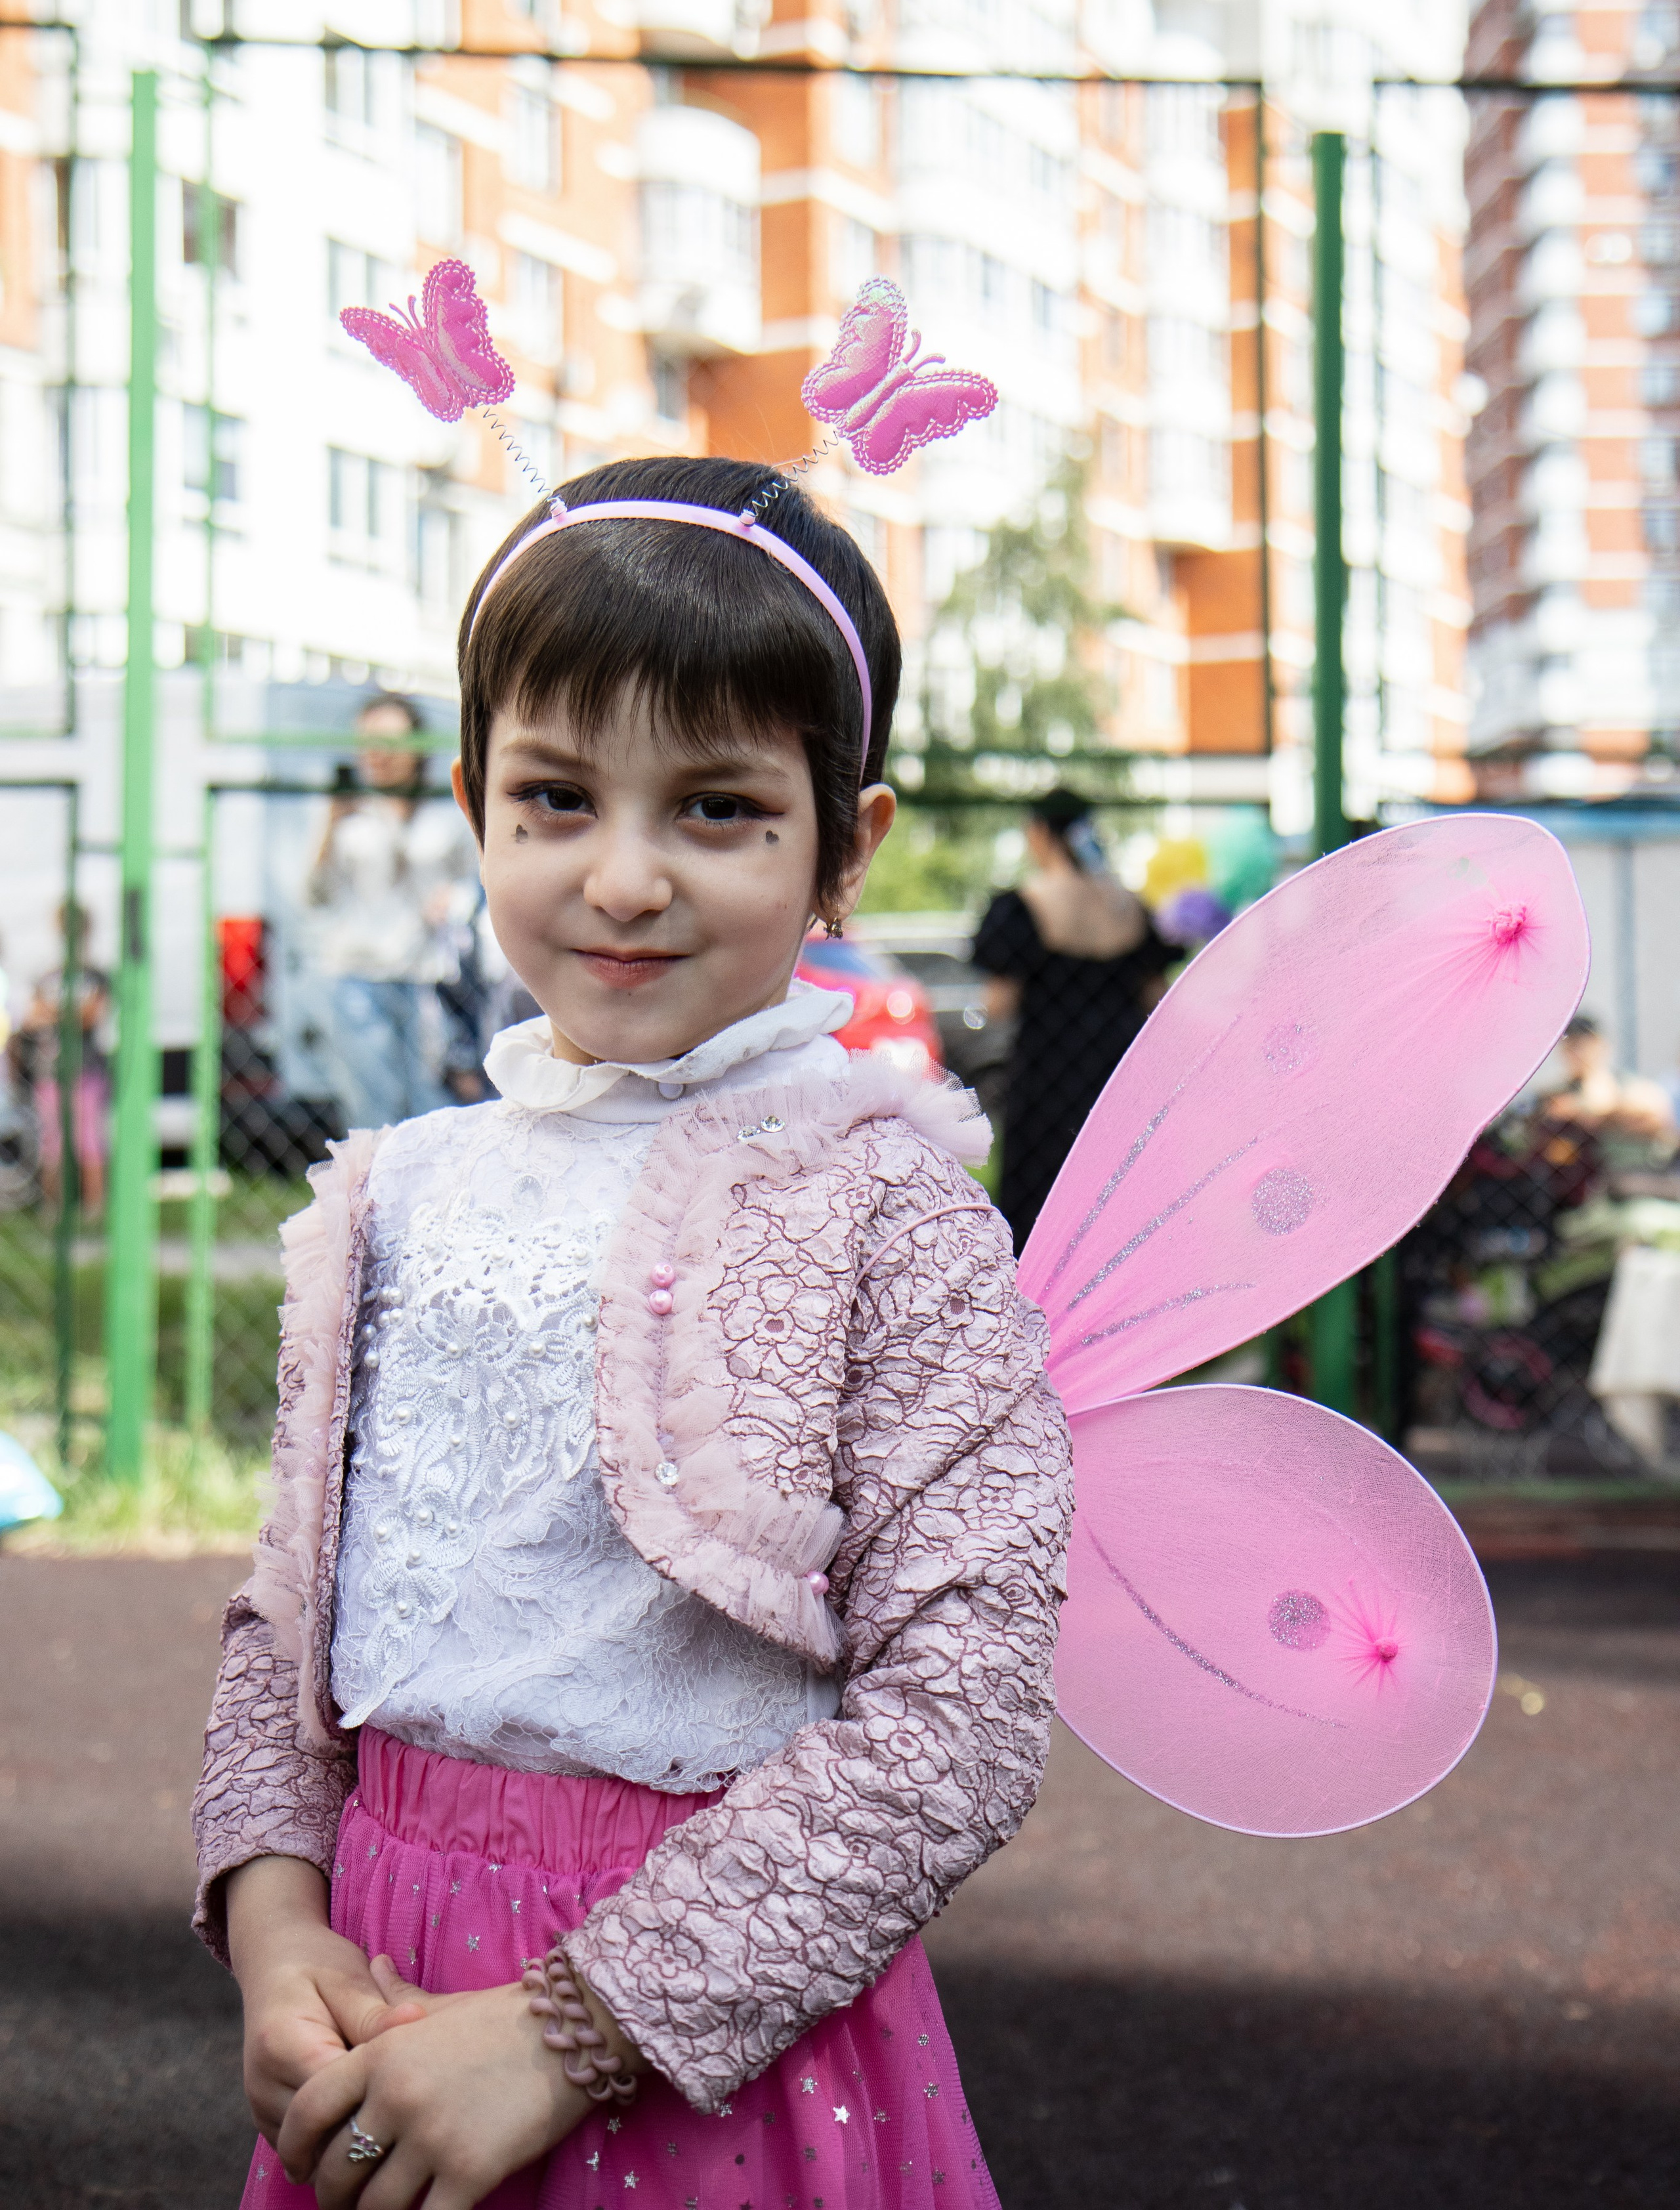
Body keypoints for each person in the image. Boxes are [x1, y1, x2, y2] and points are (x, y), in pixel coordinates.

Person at [192, 456, 1070, 2210]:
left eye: (720, 809)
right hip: (382, 2000)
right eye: (558, 796)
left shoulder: (892, 1207)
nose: (625, 877)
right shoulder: (389, 1190)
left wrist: (565, 2032)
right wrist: (276, 1916)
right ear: (473, 803)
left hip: (712, 2050)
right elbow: (286, 1622)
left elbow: (956, 1723)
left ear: (849, 843)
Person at [972, 786, 1172, 1251]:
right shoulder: (1128, 906)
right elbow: (1156, 998)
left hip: (1048, 1076)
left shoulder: (1028, 904)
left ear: (1041, 833)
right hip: (1116, 1079)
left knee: (1042, 1204)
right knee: (1113, 1202)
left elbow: (998, 1003)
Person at [308, 694, 482, 1129]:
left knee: (434, 1106)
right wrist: (331, 824)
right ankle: (375, 1198)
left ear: (417, 746)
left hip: (428, 978)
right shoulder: (348, 812)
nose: (377, 753)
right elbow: (314, 894)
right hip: (358, 976)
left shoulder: (447, 805)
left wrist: (454, 901)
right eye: (366, 741)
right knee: (373, 1114)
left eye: (389, 740)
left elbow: (477, 882)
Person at [20, 903, 112, 1220]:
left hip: (86, 1068)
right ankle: (54, 1210)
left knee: (89, 1142)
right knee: (53, 1144)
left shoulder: (95, 974)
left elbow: (91, 1015)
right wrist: (69, 1014)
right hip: (52, 1068)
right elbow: (32, 1016)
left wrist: (55, 1013)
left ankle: (94, 1210)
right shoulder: (49, 973)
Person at [1541, 1011, 1677, 1174]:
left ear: (1601, 1045)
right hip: (1581, 1181)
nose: (1578, 1053)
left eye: (1584, 1045)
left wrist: (1586, 1109)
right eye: (1572, 1046)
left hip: (1636, 1173)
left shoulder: (1626, 1084)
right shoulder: (1556, 1093)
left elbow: (1655, 1116)